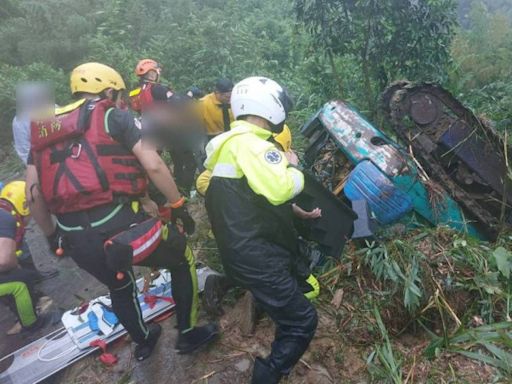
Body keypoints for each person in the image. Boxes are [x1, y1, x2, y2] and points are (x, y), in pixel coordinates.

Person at [26, 62, 218, 361]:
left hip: (76, 240)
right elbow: (152, 164)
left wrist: (53, 236)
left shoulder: (44, 129)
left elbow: (34, 194)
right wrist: (178, 205)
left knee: (118, 282)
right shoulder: (114, 116)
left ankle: (143, 341)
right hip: (120, 228)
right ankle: (188, 333)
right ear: (109, 91)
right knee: (182, 259)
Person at [204, 76, 318, 383]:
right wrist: (292, 165)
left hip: (244, 249)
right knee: (302, 321)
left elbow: (251, 198)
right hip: (258, 254)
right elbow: (281, 189)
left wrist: (296, 212)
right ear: (269, 106)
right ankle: (266, 375)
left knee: (293, 296)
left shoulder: (231, 145)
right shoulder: (253, 146)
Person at [0, 181, 57, 333]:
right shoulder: (6, 219)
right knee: (20, 281)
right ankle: (32, 325)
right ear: (24, 206)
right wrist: (14, 265)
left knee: (12, 276)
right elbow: (4, 261)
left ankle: (18, 310)